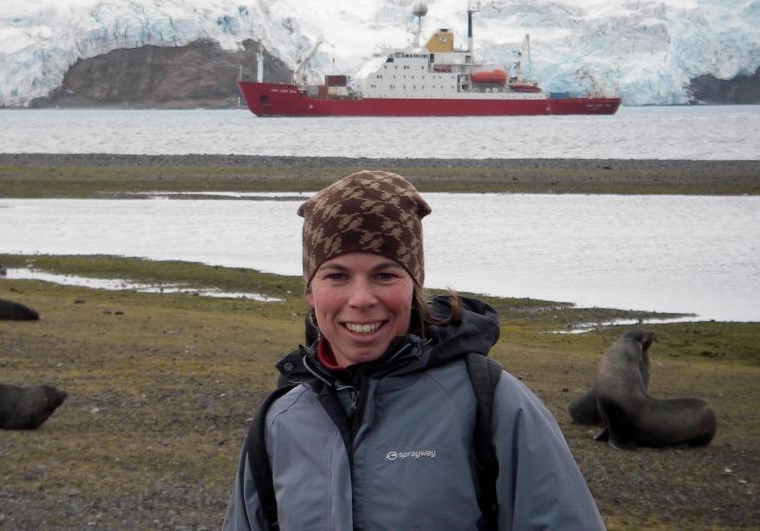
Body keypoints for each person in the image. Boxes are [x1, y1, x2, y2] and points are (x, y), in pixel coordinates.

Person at [222, 170, 605, 530]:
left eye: (384, 275)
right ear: (310, 290)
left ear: (414, 284)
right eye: (336, 275)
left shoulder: (492, 402)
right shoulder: (280, 420)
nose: (361, 298)